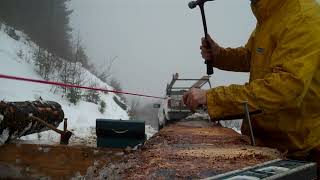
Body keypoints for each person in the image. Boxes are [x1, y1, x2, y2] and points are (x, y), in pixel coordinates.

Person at [183, 0, 320, 169]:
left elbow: (284, 88)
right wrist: (219, 55)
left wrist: (213, 98)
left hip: (299, 153)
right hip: (263, 145)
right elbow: (251, 56)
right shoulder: (268, 14)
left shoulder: (302, 16)